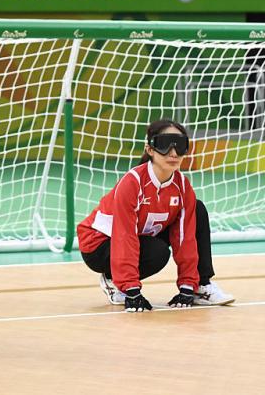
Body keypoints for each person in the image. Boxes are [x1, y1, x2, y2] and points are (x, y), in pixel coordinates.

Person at [78, 119, 235, 312]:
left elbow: (184, 237)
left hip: (140, 235)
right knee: (157, 252)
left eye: (180, 145)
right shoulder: (133, 183)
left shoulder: (182, 186)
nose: (173, 153)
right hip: (99, 244)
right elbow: (123, 235)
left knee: (198, 209)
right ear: (150, 150)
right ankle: (113, 279)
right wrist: (131, 289)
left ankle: (201, 287)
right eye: (164, 144)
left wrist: (187, 285)